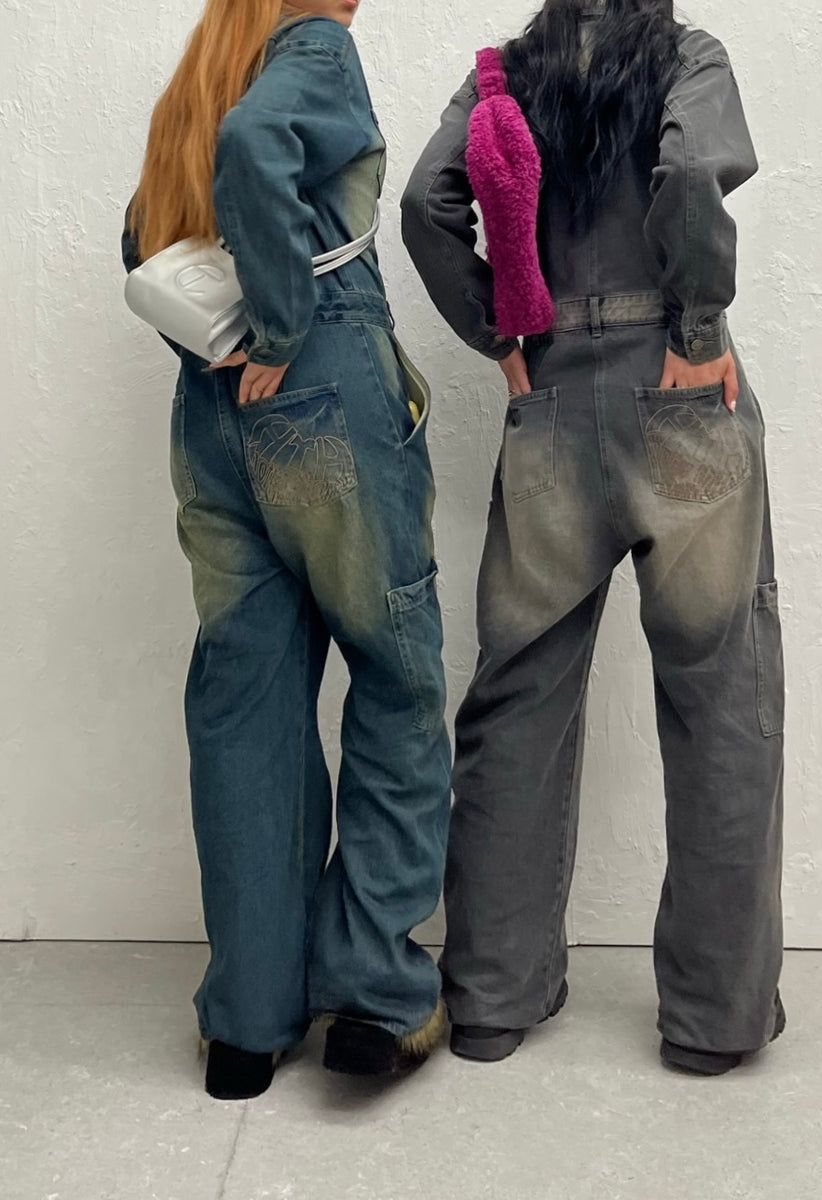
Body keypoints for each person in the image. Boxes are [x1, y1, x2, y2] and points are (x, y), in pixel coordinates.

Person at [402, 0, 786, 1077]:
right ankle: (713, 1020)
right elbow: (690, 172)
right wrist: (698, 330)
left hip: (554, 399)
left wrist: (503, 337)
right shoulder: (687, 55)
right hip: (680, 390)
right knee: (722, 700)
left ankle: (490, 999)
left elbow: (426, 204)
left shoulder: (506, 74)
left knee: (518, 698)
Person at [123, 0, 451, 1098]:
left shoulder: (199, 82)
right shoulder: (316, 45)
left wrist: (226, 339)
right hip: (321, 403)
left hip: (210, 419)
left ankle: (249, 1024)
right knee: (397, 680)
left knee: (247, 697)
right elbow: (262, 142)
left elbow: (140, 245)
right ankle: (374, 997)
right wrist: (281, 322)